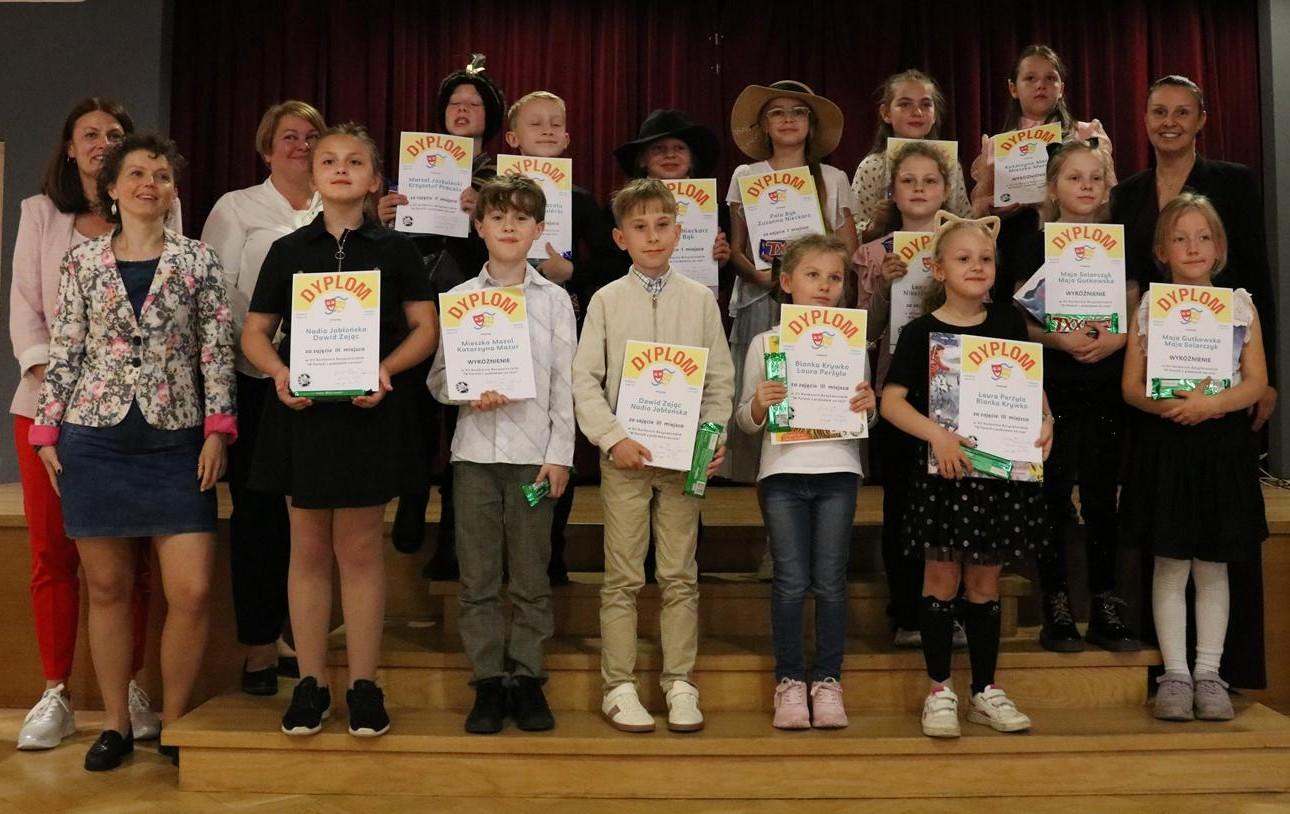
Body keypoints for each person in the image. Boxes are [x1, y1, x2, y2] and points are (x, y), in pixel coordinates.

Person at [31, 132, 235, 770]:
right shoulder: (81, 261)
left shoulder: (199, 260)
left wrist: (218, 427)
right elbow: (67, 347)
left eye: (162, 175)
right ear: (113, 188)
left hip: (177, 442)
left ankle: (175, 722)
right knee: (109, 588)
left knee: (191, 591)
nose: (151, 184)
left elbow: (216, 349)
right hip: (95, 440)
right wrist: (46, 429)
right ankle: (117, 724)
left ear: (173, 190)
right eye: (138, 174)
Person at [242, 124, 438, 739]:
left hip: (366, 412)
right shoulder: (287, 250)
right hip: (303, 413)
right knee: (306, 549)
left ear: (375, 179)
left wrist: (387, 369)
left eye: (355, 161)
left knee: (358, 551)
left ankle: (363, 685)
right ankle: (310, 683)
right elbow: (254, 332)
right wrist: (278, 374)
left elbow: (426, 328)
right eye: (328, 160)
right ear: (314, 175)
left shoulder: (397, 251)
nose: (341, 168)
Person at [10, 97, 165, 752]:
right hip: (48, 409)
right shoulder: (40, 214)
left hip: (135, 417)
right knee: (53, 552)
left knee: (130, 559)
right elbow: (25, 308)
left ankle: (128, 690)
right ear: (70, 148)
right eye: (90, 133)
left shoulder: (156, 207)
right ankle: (56, 692)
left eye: (115, 133)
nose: (104, 141)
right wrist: (61, 387)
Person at [880, 212, 1053, 738]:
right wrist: (937, 435)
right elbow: (891, 403)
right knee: (941, 578)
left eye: (984, 259)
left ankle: (984, 690)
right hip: (946, 477)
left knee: (984, 582)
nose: (976, 267)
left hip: (996, 478)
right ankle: (939, 690)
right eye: (963, 258)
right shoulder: (919, 332)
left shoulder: (1008, 323)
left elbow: (1030, 386)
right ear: (937, 269)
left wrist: (1046, 420)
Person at [573, 179, 734, 733]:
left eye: (663, 225)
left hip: (683, 461)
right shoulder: (606, 300)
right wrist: (612, 437)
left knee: (679, 574)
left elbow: (718, 380)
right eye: (639, 227)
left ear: (679, 231)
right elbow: (584, 380)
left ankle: (679, 681)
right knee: (622, 575)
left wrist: (710, 439)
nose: (653, 236)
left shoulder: (700, 300)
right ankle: (618, 684)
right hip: (625, 460)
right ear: (620, 238)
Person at [428, 174, 576, 734]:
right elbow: (438, 380)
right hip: (473, 459)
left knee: (532, 574)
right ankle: (489, 681)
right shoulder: (461, 299)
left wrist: (560, 456)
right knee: (479, 577)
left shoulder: (555, 301)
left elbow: (566, 384)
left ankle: (529, 678)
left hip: (534, 457)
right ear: (479, 226)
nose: (509, 226)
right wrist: (467, 391)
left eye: (521, 218)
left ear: (539, 229)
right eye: (498, 217)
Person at [1119, 194, 1268, 720]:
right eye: (1180, 238)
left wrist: (1212, 406)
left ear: (1219, 248)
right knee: (1170, 561)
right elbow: (1131, 388)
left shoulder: (1239, 306)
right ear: (1162, 250)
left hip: (1221, 448)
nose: (1193, 247)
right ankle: (1176, 675)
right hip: (1168, 447)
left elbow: (1257, 382)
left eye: (1204, 237)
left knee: (1212, 563)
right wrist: (1172, 406)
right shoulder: (1148, 308)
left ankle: (1209, 673)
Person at [201, 99, 326, 695]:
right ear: (266, 147)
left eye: (311, 136)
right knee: (258, 516)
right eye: (289, 136)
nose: (301, 146)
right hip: (257, 381)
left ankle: (303, 637)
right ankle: (257, 642)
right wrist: (265, 351)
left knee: (315, 514)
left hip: (328, 385)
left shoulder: (341, 203)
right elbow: (216, 296)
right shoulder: (237, 207)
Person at [736, 234, 875, 729]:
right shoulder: (766, 344)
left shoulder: (852, 344)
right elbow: (744, 420)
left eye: (834, 278)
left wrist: (869, 408)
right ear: (787, 282)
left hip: (838, 472)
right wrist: (759, 404)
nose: (824, 286)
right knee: (791, 582)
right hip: (782, 474)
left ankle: (829, 681)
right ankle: (791, 681)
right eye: (813, 275)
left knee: (831, 582)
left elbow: (862, 416)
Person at [377, 54, 508, 570]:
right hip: (415, 310)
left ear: (489, 118)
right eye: (455, 102)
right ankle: (412, 501)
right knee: (413, 415)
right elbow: (393, 246)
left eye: (474, 103)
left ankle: (454, 535)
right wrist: (383, 218)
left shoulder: (503, 177)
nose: (462, 109)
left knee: (464, 424)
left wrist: (487, 211)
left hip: (478, 310)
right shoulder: (416, 167)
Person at [1009, 140, 1139, 653]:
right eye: (1073, 177)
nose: (1085, 186)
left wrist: (1116, 340)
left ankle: (1105, 603)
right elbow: (1022, 322)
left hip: (1106, 385)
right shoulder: (1033, 245)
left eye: (1095, 178)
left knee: (1104, 496)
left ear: (1106, 188)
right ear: (1053, 188)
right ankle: (1056, 603)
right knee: (1054, 494)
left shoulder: (1121, 244)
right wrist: (1058, 340)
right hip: (1053, 384)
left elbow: (1134, 314)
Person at [1110, 74, 1277, 432]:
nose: (1169, 122)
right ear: (1145, 119)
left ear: (1201, 120)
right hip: (1151, 372)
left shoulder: (1235, 183)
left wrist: (1270, 379)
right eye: (1159, 112)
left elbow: (1257, 277)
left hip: (1225, 374)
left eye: (1182, 113)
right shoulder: (1124, 194)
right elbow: (1123, 280)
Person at [502, 90, 618, 585]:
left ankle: (552, 551)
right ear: (513, 139)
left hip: (559, 326)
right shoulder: (490, 197)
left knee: (555, 433)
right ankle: (497, 553)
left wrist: (570, 272)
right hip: (497, 330)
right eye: (536, 124)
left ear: (568, 137)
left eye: (556, 123)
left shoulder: (581, 199)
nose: (547, 130)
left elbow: (613, 262)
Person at [724, 80, 859, 485]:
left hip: (817, 302)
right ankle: (768, 489)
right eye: (777, 112)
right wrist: (761, 276)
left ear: (811, 125)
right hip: (759, 298)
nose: (788, 119)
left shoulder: (833, 177)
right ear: (764, 125)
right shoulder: (746, 174)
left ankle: (814, 474)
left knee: (813, 395)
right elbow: (736, 248)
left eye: (798, 112)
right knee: (764, 397)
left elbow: (848, 248)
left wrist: (814, 270)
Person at [854, 142, 958, 648]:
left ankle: (948, 608)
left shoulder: (963, 242)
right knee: (900, 504)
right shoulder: (874, 252)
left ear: (946, 190)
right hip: (895, 390)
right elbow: (861, 331)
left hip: (952, 390)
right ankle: (907, 612)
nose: (919, 189)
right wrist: (883, 287)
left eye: (929, 181)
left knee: (951, 504)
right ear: (892, 192)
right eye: (908, 181)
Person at [969, 44, 1114, 299]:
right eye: (1030, 78)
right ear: (1013, 88)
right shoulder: (997, 146)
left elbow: (1108, 198)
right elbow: (979, 213)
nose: (1041, 85)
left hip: (1075, 249)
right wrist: (995, 205)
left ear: (1061, 88)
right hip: (1013, 247)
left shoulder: (1087, 135)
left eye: (1050, 78)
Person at [850, 69, 972, 237]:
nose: (917, 113)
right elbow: (853, 233)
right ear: (886, 113)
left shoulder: (949, 163)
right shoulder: (871, 166)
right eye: (905, 104)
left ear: (935, 115)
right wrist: (875, 224)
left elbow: (964, 220)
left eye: (926, 105)